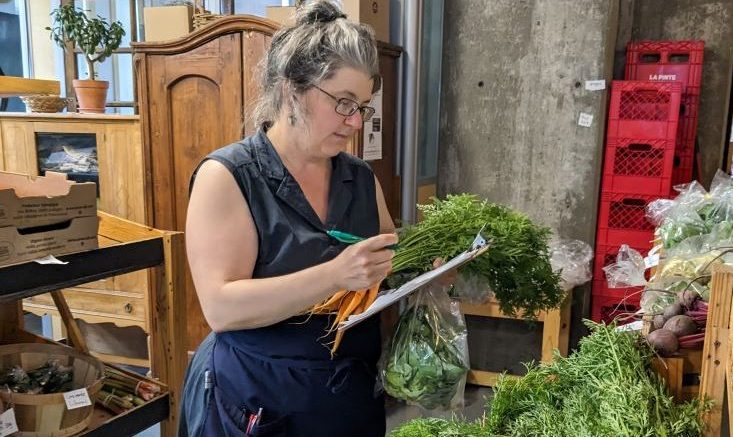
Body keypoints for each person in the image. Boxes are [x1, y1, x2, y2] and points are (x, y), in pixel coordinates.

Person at [178, 1, 398, 436]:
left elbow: (387, 260)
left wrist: (423, 269)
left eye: (363, 106)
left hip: (348, 399)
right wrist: (336, 274)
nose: (355, 122)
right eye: (343, 102)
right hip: (257, 402)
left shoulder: (358, 177)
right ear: (291, 89)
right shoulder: (229, 177)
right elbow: (221, 307)